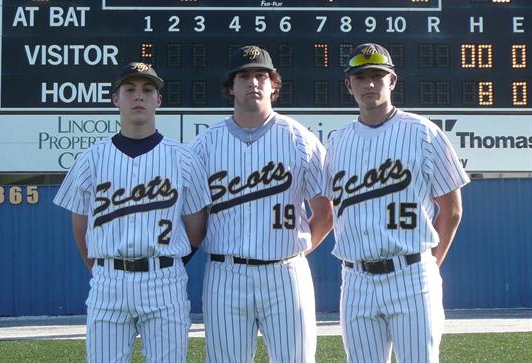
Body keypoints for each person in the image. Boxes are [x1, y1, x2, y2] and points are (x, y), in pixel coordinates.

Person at [53, 62, 211, 363]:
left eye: (147, 90)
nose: (139, 96)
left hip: (164, 280)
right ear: (116, 99)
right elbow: (80, 227)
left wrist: (168, 263)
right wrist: (103, 268)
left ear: (158, 100)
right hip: (107, 281)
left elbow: (196, 229)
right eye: (130, 89)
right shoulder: (91, 159)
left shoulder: (183, 159)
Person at [324, 43, 470, 363]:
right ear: (349, 85)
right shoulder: (337, 141)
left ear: (392, 81)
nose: (370, 83)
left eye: (378, 75)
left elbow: (452, 208)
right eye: (361, 77)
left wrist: (431, 262)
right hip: (356, 278)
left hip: (412, 272)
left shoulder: (423, 133)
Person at [190, 45, 333, 362]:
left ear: (273, 85)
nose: (253, 82)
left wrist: (294, 249)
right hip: (225, 273)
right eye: (244, 75)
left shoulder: (300, 140)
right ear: (231, 86)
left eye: (261, 75)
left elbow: (325, 212)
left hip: (286, 272)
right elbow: (193, 217)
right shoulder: (204, 145)